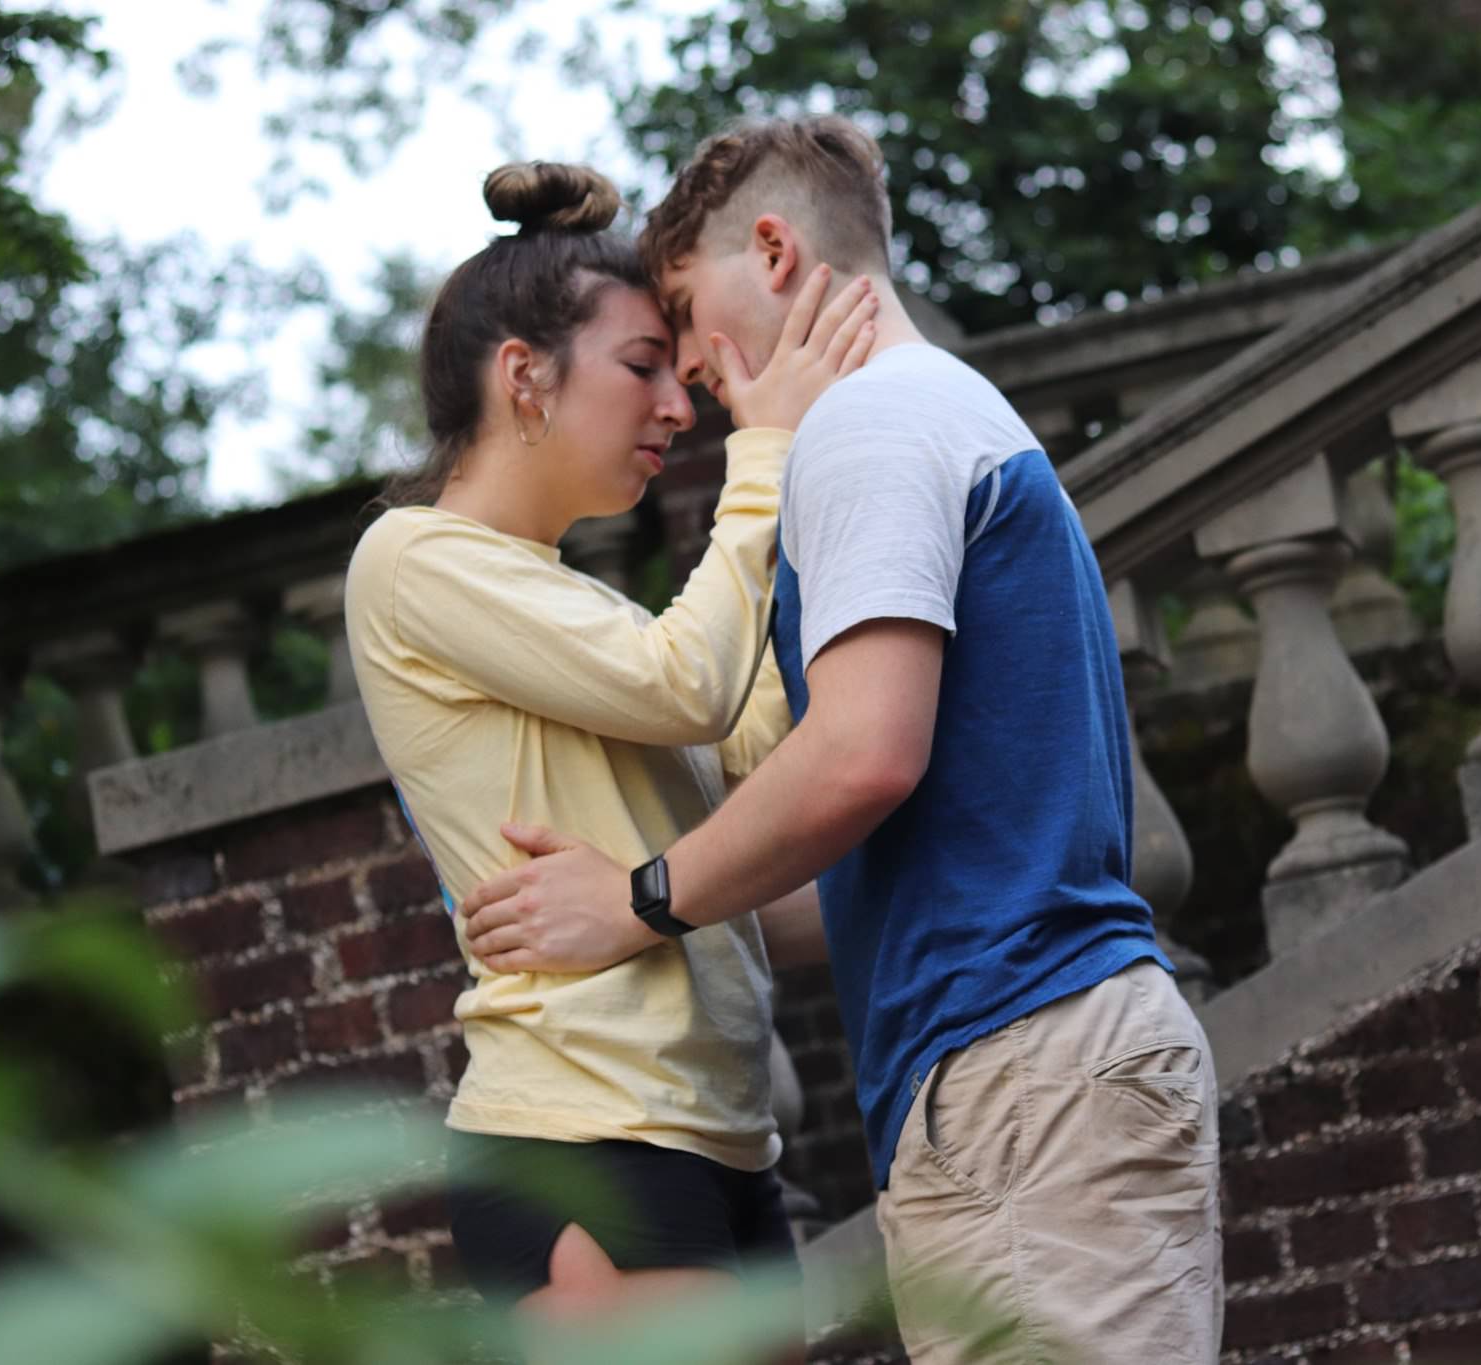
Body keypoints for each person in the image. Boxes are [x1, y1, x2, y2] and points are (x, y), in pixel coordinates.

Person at [457, 119, 1223, 1363]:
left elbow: (862, 756)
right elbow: (895, 840)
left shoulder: (867, 430)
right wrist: (686, 931)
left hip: (1016, 1070)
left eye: (688, 314)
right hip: (1041, 1062)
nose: (688, 376)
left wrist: (639, 900)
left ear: (771, 251)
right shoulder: (948, 415)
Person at [341, 160, 877, 1333]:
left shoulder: (582, 611)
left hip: (719, 1132)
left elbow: (758, 755)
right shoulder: (412, 561)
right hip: (582, 1133)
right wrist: (767, 456)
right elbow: (686, 683)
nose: (678, 407)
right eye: (642, 368)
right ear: (523, 376)